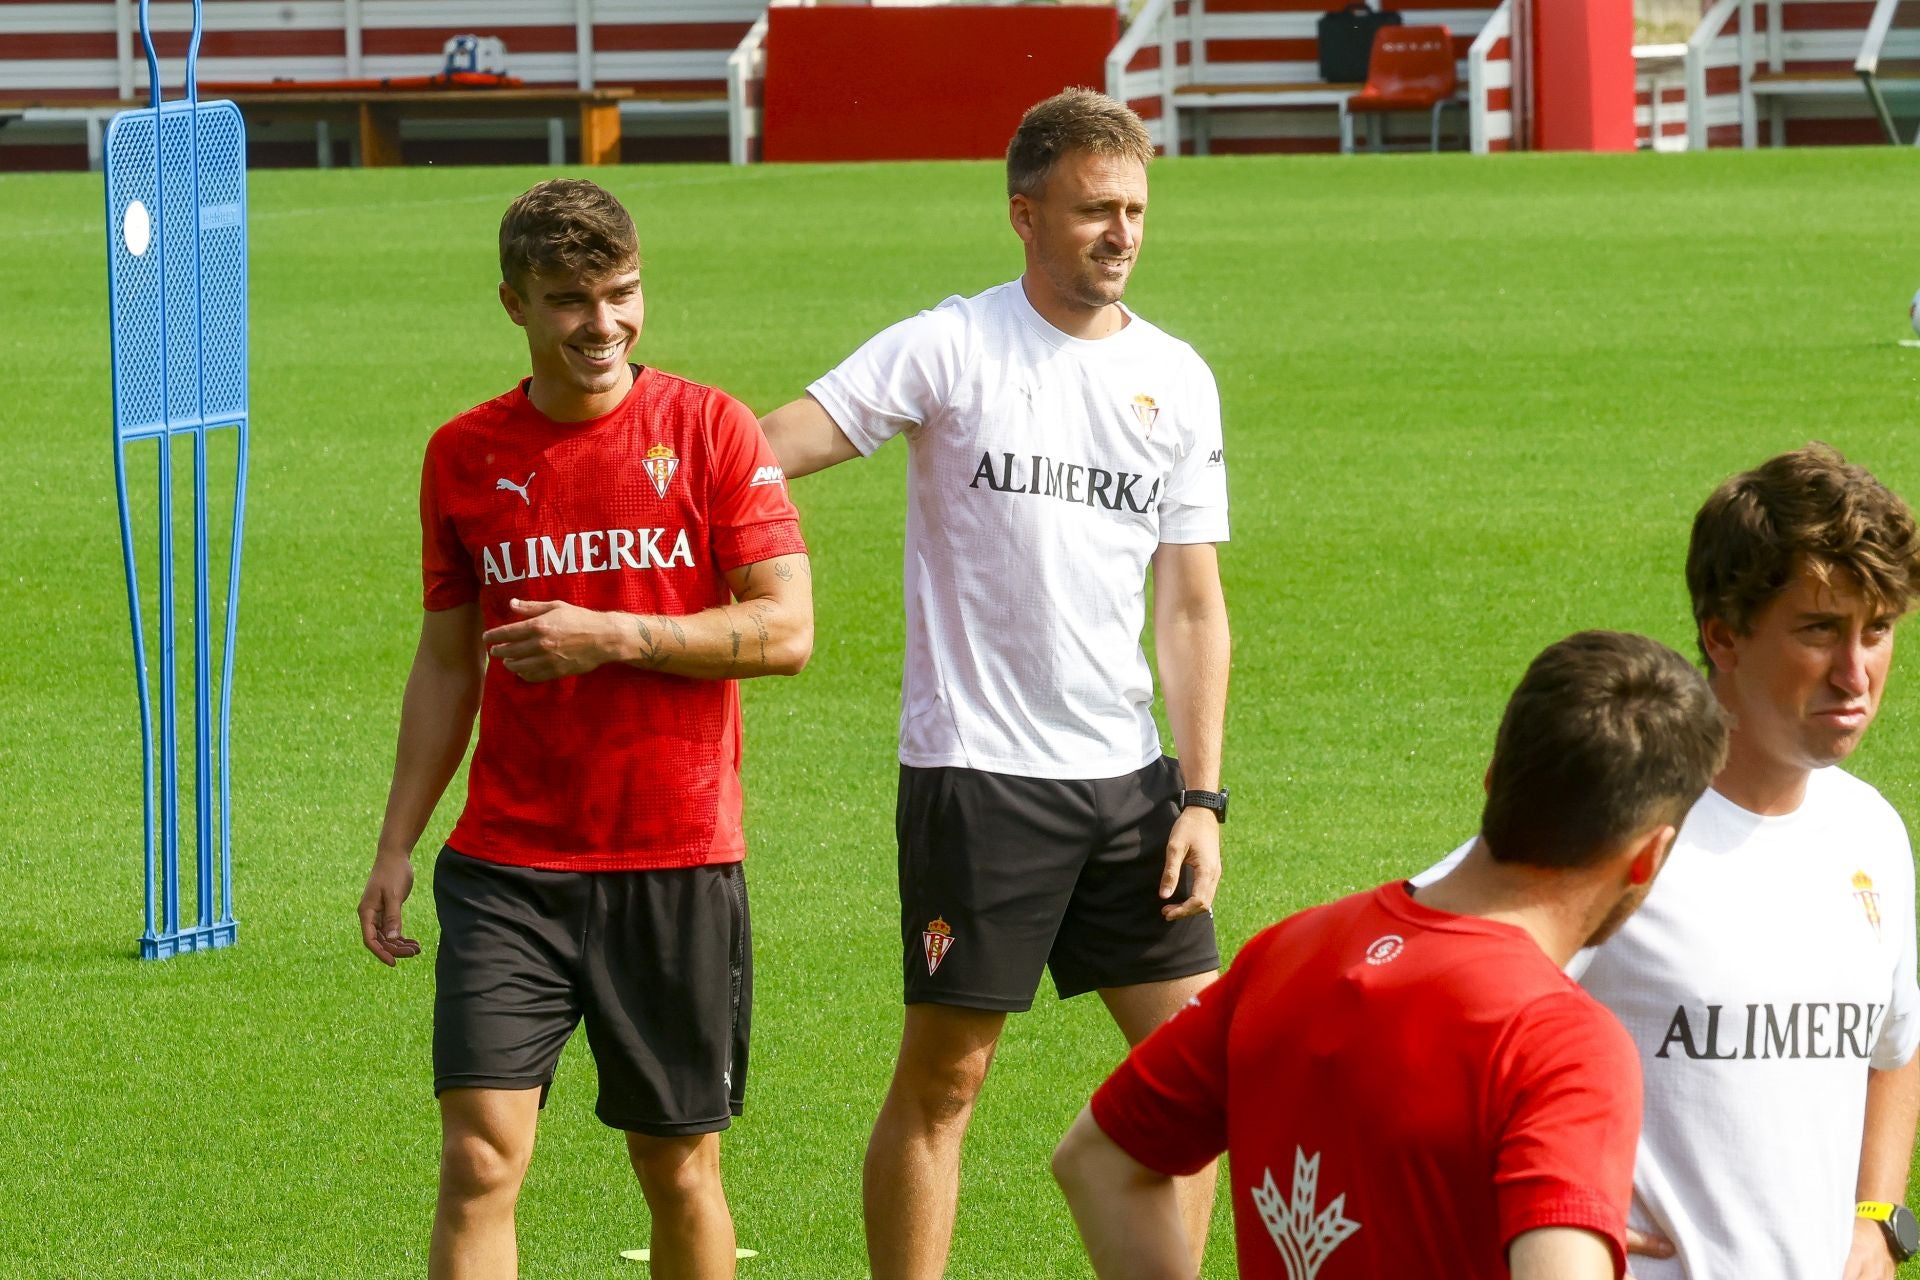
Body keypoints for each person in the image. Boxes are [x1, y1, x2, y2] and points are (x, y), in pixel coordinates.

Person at [759, 89, 1231, 1278]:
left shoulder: (1177, 377)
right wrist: (648, 467)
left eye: (1133, 209)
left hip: (1130, 787)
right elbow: (777, 446)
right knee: (946, 1079)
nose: (1119, 232)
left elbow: (1189, 606)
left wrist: (1203, 797)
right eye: (1091, 210)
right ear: (1024, 214)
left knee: (1202, 1077)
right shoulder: (952, 345)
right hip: (981, 776)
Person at [355, 178, 812, 1280]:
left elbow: (787, 628)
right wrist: (396, 840)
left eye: (620, 293)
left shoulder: (710, 428)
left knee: (679, 1164)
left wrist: (614, 636)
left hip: (674, 856)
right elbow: (447, 658)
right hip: (508, 864)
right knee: (476, 1157)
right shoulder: (462, 454)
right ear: (513, 302)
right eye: (568, 299)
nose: (600, 325)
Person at [1054, 629, 1730, 1280]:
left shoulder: (1289, 951)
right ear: (1650, 856)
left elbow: (1097, 1159)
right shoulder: (1561, 1043)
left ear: (1494, 778)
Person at [1417, 445, 1920, 1279]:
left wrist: (1878, 1218)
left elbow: (1893, 1048)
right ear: (1723, 636)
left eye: (1878, 632)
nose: (1856, 673)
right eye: (1819, 630)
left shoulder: (1872, 832)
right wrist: (1535, 1202)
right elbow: (1410, 1002)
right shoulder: (1612, 823)